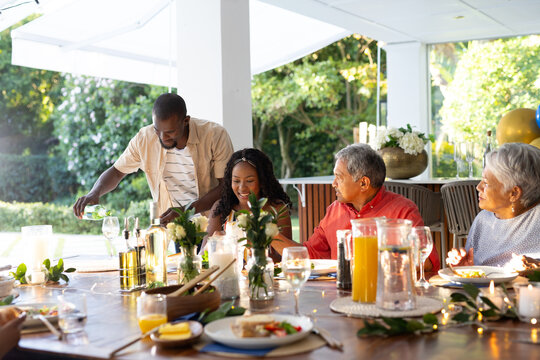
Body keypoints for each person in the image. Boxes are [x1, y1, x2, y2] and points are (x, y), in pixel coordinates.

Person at [272, 144, 440, 272]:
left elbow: (426, 261)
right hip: (337, 296)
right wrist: (270, 235)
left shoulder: (402, 210)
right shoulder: (334, 210)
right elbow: (309, 255)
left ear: (363, 183)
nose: (333, 184)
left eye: (339, 177)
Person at [73, 93, 234, 224]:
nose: (163, 138)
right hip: (174, 228)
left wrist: (186, 210)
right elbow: (116, 172)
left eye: (170, 132)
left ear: (185, 121)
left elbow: (225, 186)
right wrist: (95, 192)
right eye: (158, 130)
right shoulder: (145, 138)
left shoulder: (215, 135)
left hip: (214, 224)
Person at [447, 143, 540, 268]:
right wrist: (465, 266)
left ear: (514, 193)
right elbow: (475, 271)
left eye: (486, 182)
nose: (478, 187)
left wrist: (536, 268)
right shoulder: (483, 219)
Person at [204, 148, 292, 257]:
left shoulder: (277, 208)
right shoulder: (221, 208)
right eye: (236, 181)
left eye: (249, 181)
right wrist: (213, 243)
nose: (242, 188)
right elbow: (202, 255)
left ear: (262, 181)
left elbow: (288, 256)